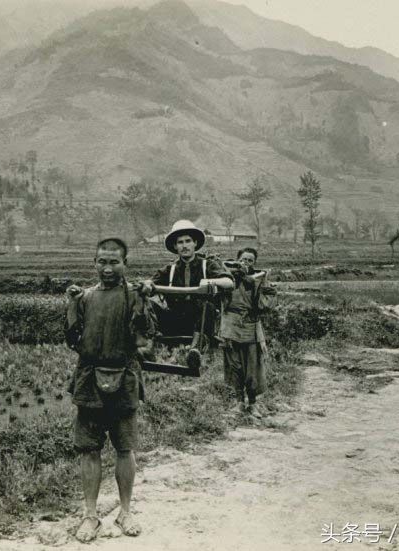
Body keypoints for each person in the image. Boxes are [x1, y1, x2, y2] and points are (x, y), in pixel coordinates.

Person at [65, 237, 156, 543]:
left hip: (124, 378)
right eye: (102, 261)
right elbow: (72, 339)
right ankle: (90, 515)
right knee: (89, 449)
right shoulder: (86, 297)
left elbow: (145, 339)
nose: (107, 268)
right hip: (89, 379)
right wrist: (72, 305)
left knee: (124, 448)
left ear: (124, 264)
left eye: (114, 261)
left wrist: (144, 300)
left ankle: (126, 511)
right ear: (94, 263)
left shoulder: (134, 296)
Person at [142, 220, 233, 364]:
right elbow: (149, 284)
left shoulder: (207, 265)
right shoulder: (170, 269)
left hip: (200, 322)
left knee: (207, 306)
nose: (184, 246)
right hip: (175, 320)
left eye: (188, 241)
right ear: (175, 246)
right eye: (180, 242)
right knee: (146, 303)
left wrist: (211, 282)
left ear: (195, 243)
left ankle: (196, 350)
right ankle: (149, 346)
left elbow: (229, 282)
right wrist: (146, 285)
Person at [219, 253, 271, 418]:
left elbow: (265, 304)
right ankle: (239, 402)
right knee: (235, 366)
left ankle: (253, 403)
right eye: (243, 260)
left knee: (252, 368)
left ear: (254, 263)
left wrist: (255, 284)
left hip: (250, 326)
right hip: (230, 326)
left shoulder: (258, 279)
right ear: (237, 261)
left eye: (250, 260)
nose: (245, 263)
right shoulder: (228, 279)